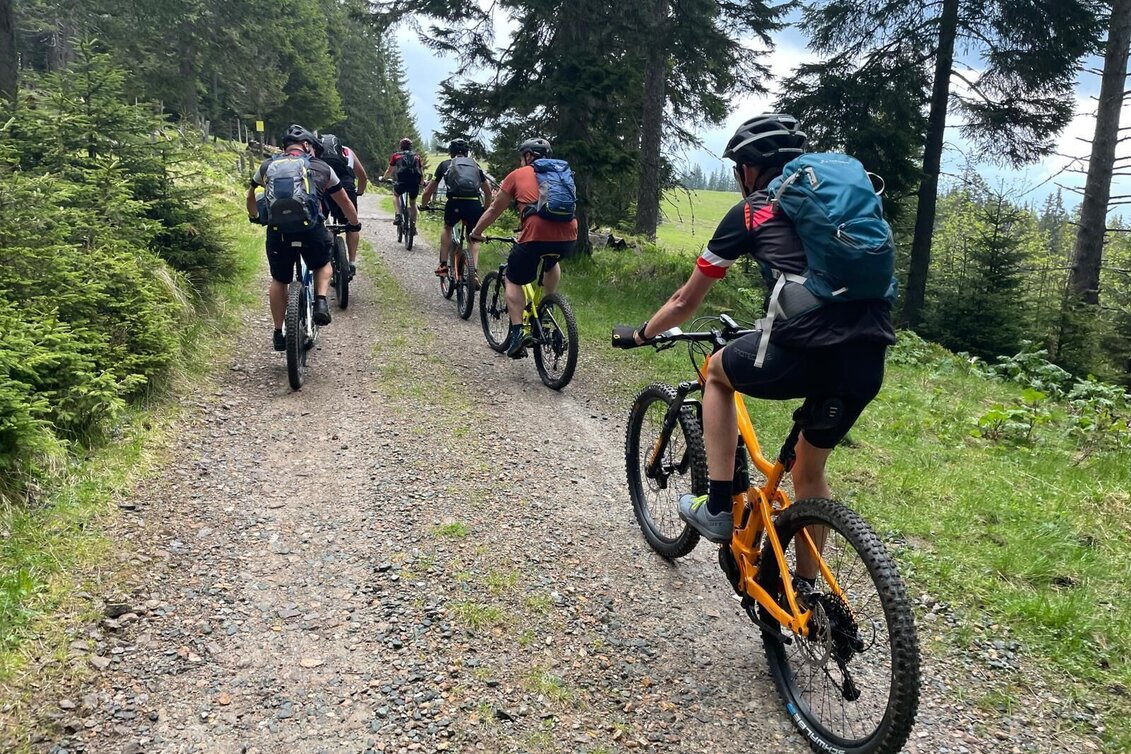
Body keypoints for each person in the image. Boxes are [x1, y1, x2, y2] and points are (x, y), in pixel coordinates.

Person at [626, 114, 895, 579]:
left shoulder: (753, 211)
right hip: (868, 354)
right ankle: (809, 594)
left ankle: (717, 506)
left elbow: (685, 300)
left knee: (716, 372)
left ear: (749, 169)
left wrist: (642, 334)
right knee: (809, 471)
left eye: (738, 169)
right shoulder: (836, 208)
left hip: (806, 350)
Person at [246, 124, 361, 351]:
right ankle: (321, 301)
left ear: (285, 147)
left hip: (279, 232)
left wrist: (254, 216)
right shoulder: (322, 167)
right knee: (323, 264)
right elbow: (344, 202)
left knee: (279, 280)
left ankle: (278, 332)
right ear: (307, 145)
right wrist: (354, 223)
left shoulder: (267, 166)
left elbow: (251, 194)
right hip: (311, 230)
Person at [470, 137, 577, 358]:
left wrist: (476, 232)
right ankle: (548, 304)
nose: (521, 161)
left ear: (528, 156)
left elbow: (494, 210)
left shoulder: (517, 175)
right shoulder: (561, 174)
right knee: (551, 261)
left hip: (536, 233)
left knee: (513, 278)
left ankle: (518, 332)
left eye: (522, 156)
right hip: (569, 234)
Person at [420, 138, 493, 281]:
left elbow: (428, 190)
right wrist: (484, 209)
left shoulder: (445, 164)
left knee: (447, 228)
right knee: (473, 237)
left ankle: (443, 265)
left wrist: (423, 205)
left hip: (454, 203)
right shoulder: (475, 165)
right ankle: (474, 273)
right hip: (474, 204)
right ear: (466, 152)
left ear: (451, 152)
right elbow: (488, 192)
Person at [319, 133, 368, 277]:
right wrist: (359, 192)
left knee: (319, 221)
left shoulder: (316, 150)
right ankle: (352, 263)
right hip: (346, 188)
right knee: (352, 224)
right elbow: (362, 176)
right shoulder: (347, 151)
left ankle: (321, 261)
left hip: (323, 187)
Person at [382, 138, 424, 232]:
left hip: (402, 181)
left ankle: (398, 215)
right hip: (414, 182)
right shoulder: (417, 157)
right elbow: (421, 171)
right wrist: (422, 182)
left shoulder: (396, 156)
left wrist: (384, 178)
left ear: (400, 146)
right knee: (413, 203)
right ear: (410, 146)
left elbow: (389, 170)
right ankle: (413, 227)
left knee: (396, 195)